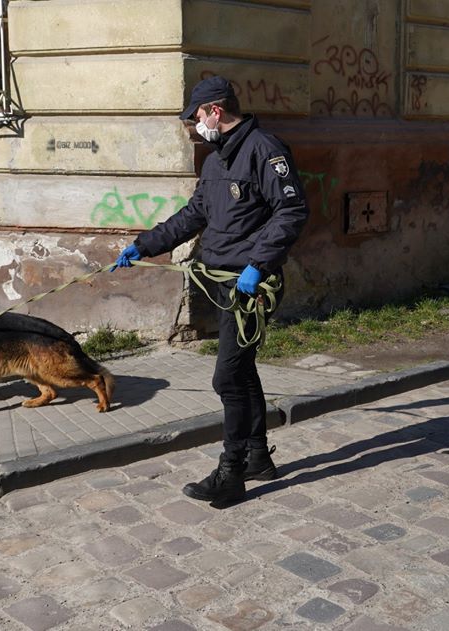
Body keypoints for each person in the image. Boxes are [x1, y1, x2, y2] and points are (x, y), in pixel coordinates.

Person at [114, 75, 309, 505]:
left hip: (248, 287)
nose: (195, 125)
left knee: (228, 376)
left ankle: (231, 470)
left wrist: (258, 265)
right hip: (223, 284)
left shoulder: (264, 150)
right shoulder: (218, 159)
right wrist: (143, 245)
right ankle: (258, 456)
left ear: (215, 111)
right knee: (241, 372)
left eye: (197, 117)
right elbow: (192, 216)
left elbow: (292, 210)